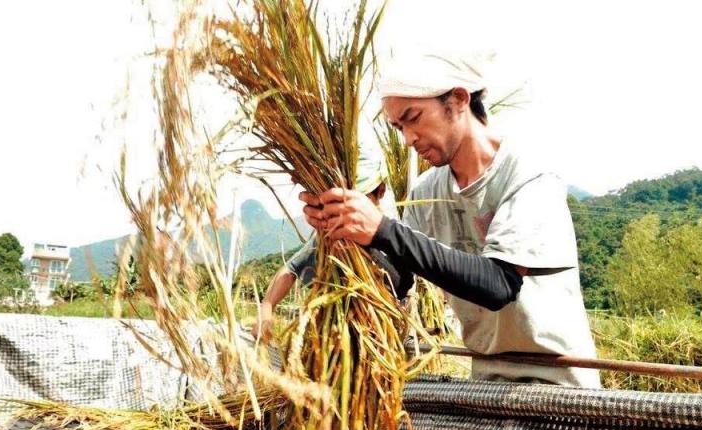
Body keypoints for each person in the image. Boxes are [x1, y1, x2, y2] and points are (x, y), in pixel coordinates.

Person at [300, 52, 600, 388]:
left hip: (557, 384)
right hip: (487, 381)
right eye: (399, 127)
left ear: (458, 100)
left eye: (413, 118)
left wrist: (383, 229)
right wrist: (346, 232)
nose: (409, 138)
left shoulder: (529, 175)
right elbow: (399, 278)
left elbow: (498, 285)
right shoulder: (427, 192)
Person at [252, 173, 412, 341]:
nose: (351, 212)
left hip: (385, 340)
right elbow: (290, 269)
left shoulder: (393, 237)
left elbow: (406, 286)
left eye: (359, 201)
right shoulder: (331, 237)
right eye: (345, 203)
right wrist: (267, 306)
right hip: (337, 339)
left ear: (380, 191)